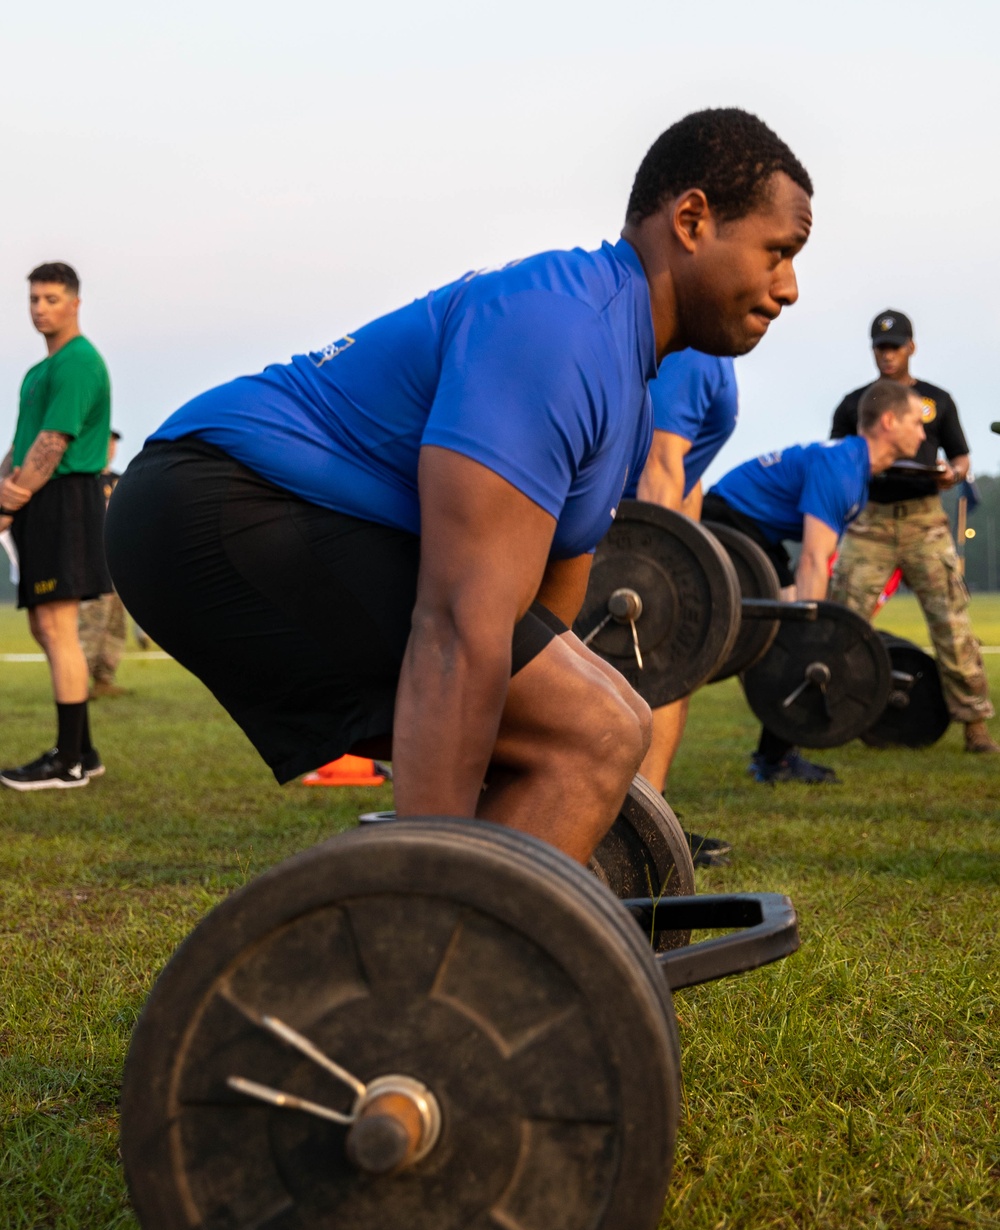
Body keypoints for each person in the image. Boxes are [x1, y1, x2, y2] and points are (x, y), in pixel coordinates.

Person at [106, 109, 813, 864]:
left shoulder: (628, 384)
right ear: (693, 220)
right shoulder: (561, 326)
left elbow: (544, 624)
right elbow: (457, 626)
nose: (791, 286)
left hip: (256, 512)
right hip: (218, 502)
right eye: (778, 252)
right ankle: (439, 949)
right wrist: (437, 869)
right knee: (596, 730)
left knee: (604, 723)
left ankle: (459, 951)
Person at [702, 379, 926, 782]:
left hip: (755, 532)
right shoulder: (842, 468)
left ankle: (775, 758)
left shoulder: (854, 469)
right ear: (889, 421)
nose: (924, 432)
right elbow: (813, 560)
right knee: (794, 641)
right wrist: (815, 638)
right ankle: (775, 759)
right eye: (916, 421)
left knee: (788, 639)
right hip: (727, 521)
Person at [829, 311, 998, 754]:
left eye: (896, 346)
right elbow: (836, 458)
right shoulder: (855, 403)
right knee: (841, 622)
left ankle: (975, 725)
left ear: (912, 348)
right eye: (880, 347)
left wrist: (952, 474)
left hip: (925, 521)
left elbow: (962, 457)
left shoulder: (936, 400)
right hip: (871, 522)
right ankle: (827, 719)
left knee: (951, 623)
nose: (887, 355)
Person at [0, 263, 111, 790]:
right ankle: (82, 751)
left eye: (51, 298)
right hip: (38, 501)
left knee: (57, 626)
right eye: (34, 299)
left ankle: (67, 764)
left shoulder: (78, 363)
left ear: (74, 303)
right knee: (43, 627)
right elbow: (24, 443)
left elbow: (53, 444)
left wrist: (10, 501)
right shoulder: (40, 371)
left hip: (64, 499)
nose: (40, 308)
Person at [628, 350, 739, 864]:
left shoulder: (716, 357)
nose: (786, 291)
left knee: (677, 671)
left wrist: (693, 561)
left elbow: (688, 473)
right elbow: (661, 462)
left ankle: (650, 822)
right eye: (773, 262)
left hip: (635, 529)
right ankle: (638, 833)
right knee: (666, 666)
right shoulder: (697, 355)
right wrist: (657, 577)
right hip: (616, 537)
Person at [77, 429, 131, 700]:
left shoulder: (123, 481)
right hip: (91, 563)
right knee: (90, 624)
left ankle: (104, 678)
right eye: (105, 441)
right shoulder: (86, 481)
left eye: (113, 443)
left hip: (117, 565)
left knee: (114, 625)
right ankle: (76, 681)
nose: (110, 447)